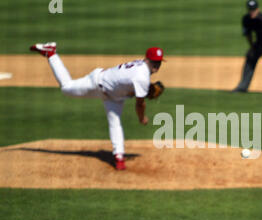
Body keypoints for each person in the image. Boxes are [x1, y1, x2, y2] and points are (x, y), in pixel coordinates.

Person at [30, 42, 165, 170]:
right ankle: (51, 53)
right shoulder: (142, 77)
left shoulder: (141, 66)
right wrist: (142, 118)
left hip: (115, 97)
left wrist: (144, 90)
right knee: (66, 88)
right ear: (147, 59)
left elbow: (129, 82)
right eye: (154, 61)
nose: (157, 65)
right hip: (97, 83)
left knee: (115, 122)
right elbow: (140, 104)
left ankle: (119, 157)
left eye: (159, 62)